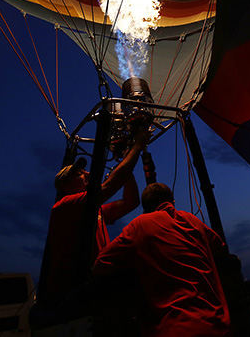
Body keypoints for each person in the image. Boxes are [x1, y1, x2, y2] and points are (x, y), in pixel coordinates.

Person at [92, 182, 231, 337]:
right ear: (173, 202)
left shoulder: (139, 225)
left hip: (173, 329)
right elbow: (220, 248)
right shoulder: (192, 220)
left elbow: (101, 264)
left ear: (145, 208)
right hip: (218, 325)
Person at [38, 128, 147, 308]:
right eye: (80, 174)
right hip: (72, 291)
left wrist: (125, 166)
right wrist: (137, 147)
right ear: (66, 185)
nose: (87, 174)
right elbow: (110, 186)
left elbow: (131, 202)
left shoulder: (94, 210)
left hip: (94, 284)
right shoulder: (64, 206)